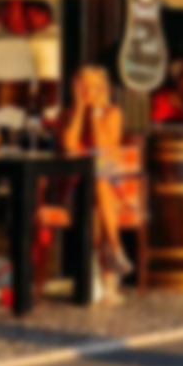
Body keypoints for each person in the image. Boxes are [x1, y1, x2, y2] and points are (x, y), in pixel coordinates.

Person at [55, 66, 133, 297]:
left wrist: (96, 113)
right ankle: (114, 255)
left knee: (98, 187)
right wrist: (80, 110)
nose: (89, 92)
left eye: (95, 87)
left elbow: (102, 147)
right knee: (97, 187)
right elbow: (68, 145)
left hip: (106, 186)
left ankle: (106, 267)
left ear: (104, 89)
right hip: (72, 186)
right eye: (84, 87)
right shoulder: (66, 115)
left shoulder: (113, 113)